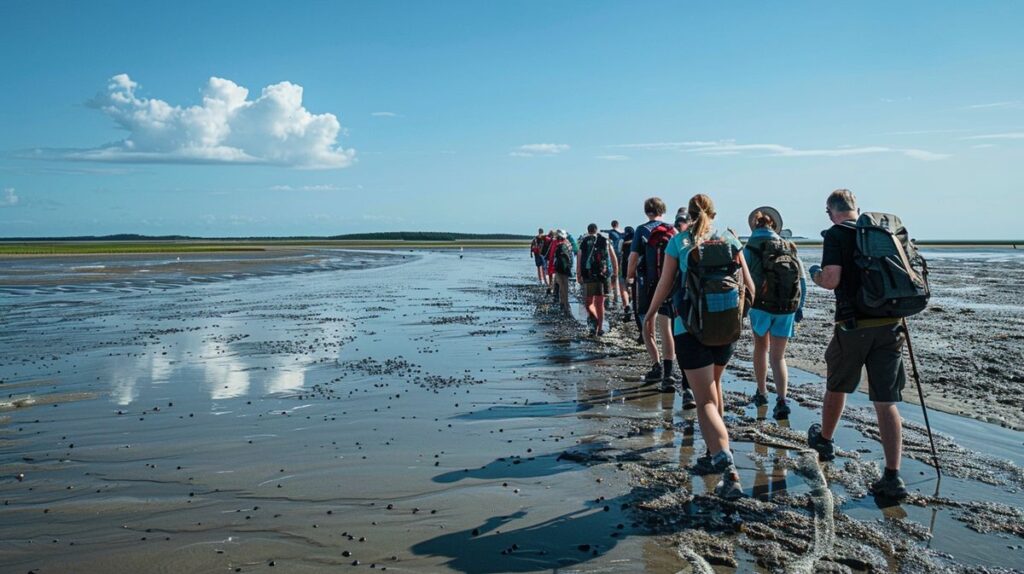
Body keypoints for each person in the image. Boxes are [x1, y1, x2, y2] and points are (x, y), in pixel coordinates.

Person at [644, 194, 755, 499]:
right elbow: (751, 288)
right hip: (726, 329)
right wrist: (736, 320)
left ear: (689, 215)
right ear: (714, 213)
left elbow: (665, 285)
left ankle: (728, 470)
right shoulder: (731, 239)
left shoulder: (679, 242)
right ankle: (711, 452)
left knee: (704, 399)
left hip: (689, 329)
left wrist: (650, 315)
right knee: (715, 387)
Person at [807, 189, 909, 500]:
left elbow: (831, 280)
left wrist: (814, 274)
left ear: (830, 211)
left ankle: (824, 440)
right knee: (885, 400)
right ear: (857, 209)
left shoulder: (836, 235)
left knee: (837, 385)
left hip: (853, 326)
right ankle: (892, 476)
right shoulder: (884, 232)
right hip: (891, 324)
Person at [743, 206, 806, 420]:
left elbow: (745, 280)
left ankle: (761, 392)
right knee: (778, 357)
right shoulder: (788, 245)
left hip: (760, 306)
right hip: (786, 307)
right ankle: (782, 400)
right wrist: (799, 307)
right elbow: (802, 281)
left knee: (761, 348)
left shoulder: (750, 247)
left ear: (754, 225)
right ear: (774, 226)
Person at [627, 197, 679, 387]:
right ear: (663, 210)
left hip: (647, 285)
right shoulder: (672, 230)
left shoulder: (642, 230)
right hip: (670, 286)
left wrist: (629, 277)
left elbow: (633, 258)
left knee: (647, 324)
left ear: (646, 211)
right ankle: (669, 370)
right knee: (667, 329)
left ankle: (656, 364)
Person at [672, 208, 697, 410]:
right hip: (718, 314)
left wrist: (651, 310)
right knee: (714, 385)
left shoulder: (678, 241)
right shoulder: (724, 238)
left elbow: (666, 281)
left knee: (686, 353)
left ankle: (688, 389)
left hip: (685, 310)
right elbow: (747, 285)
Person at [578, 223, 618, 336]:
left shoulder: (585, 241)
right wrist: (615, 273)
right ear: (597, 230)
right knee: (600, 303)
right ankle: (600, 328)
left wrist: (579, 274)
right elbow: (613, 258)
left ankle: (594, 319)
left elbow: (580, 258)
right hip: (604, 275)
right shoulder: (605, 240)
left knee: (589, 303)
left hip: (590, 275)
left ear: (588, 230)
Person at [547, 230, 574, 315]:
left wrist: (550, 268)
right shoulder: (567, 243)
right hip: (565, 269)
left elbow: (552, 256)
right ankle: (564, 306)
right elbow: (571, 257)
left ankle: (563, 306)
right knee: (562, 287)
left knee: (561, 287)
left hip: (559, 268)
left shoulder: (557, 244)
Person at [604, 220, 625, 309]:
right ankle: (617, 297)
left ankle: (614, 297)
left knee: (613, 276)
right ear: (618, 224)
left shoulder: (611, 232)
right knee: (619, 275)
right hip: (621, 254)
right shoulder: (622, 232)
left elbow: (605, 232)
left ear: (612, 225)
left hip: (613, 253)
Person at [620, 225, 635, 322]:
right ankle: (633, 305)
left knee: (624, 287)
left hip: (625, 266)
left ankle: (627, 306)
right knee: (634, 287)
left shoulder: (622, 241)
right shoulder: (637, 241)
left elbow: (619, 252)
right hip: (635, 266)